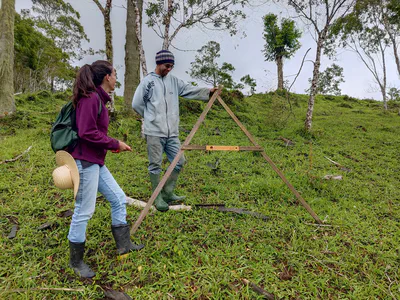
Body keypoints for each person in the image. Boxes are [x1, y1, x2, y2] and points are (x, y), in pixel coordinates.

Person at [67, 60, 144, 278]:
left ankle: (124, 245)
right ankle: (76, 262)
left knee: (118, 198)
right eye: (115, 74)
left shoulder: (98, 99)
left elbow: (92, 133)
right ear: (106, 77)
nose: (116, 78)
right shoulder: (91, 98)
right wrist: (114, 143)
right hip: (85, 162)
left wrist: (111, 144)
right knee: (84, 210)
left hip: (95, 162)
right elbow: (86, 132)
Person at [132, 50, 216, 212]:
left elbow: (189, 90)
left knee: (179, 161)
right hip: (154, 132)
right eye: (167, 65)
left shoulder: (174, 81)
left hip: (172, 133)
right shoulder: (148, 82)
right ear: (158, 64)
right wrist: (150, 118)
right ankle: (157, 197)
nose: (169, 69)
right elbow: (136, 104)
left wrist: (208, 92)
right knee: (155, 164)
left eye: (172, 66)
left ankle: (168, 192)